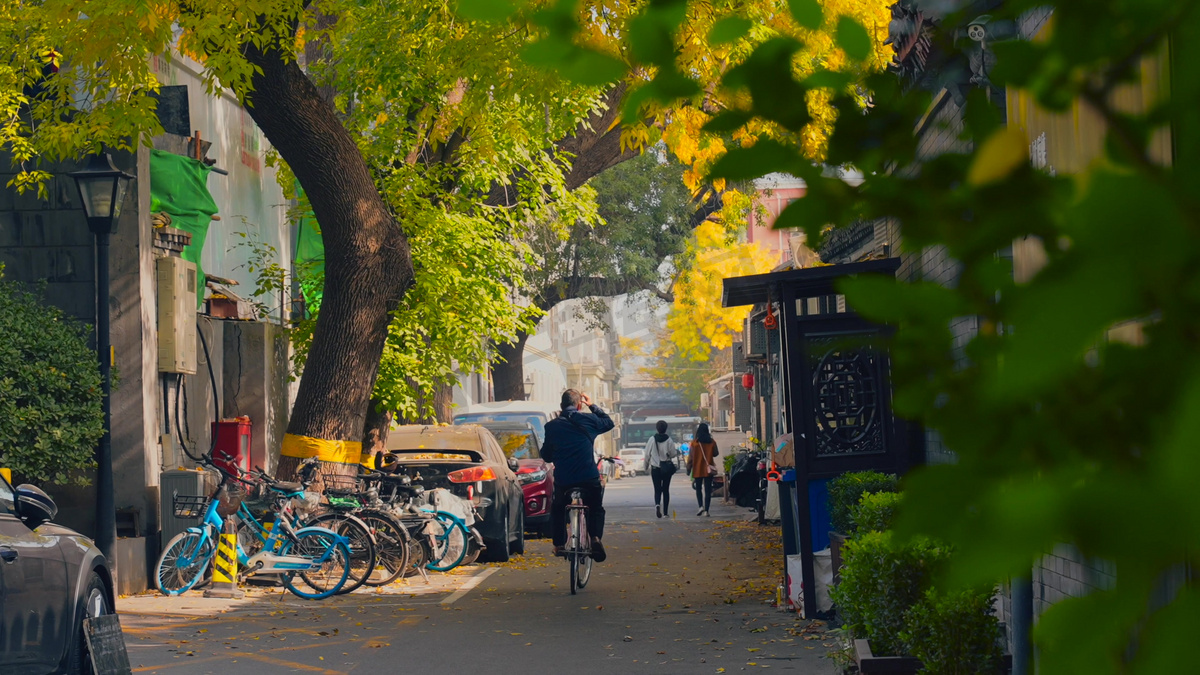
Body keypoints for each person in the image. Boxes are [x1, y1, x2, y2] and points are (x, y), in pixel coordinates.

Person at [540, 389, 615, 561]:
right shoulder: (589, 420)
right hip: (588, 477)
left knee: (558, 509)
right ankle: (595, 538)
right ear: (579, 405)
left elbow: (546, 456)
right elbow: (609, 423)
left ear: (561, 405)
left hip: (564, 480)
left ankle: (559, 544)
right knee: (596, 507)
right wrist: (593, 406)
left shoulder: (551, 426)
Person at [642, 420, 681, 518]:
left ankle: (657, 504)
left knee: (657, 489)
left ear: (657, 428)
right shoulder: (669, 440)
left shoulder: (652, 439)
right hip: (666, 468)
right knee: (666, 489)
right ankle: (666, 513)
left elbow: (647, 454)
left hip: (655, 468)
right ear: (666, 428)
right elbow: (673, 454)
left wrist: (645, 466)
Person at [687, 422, 720, 516]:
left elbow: (691, 458)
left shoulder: (694, 443)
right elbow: (716, 453)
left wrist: (689, 468)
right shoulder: (712, 442)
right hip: (708, 469)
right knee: (708, 489)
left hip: (697, 469)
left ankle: (700, 506)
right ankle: (707, 510)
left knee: (698, 488)